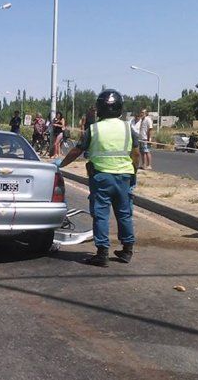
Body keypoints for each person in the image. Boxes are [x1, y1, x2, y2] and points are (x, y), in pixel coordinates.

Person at [58, 90, 140, 267]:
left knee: (101, 215)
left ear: (101, 108)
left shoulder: (94, 129)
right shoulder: (128, 128)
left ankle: (102, 253)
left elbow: (77, 150)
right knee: (124, 214)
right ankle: (127, 250)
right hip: (124, 176)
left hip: (101, 177)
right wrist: (133, 173)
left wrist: (61, 164)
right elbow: (136, 153)